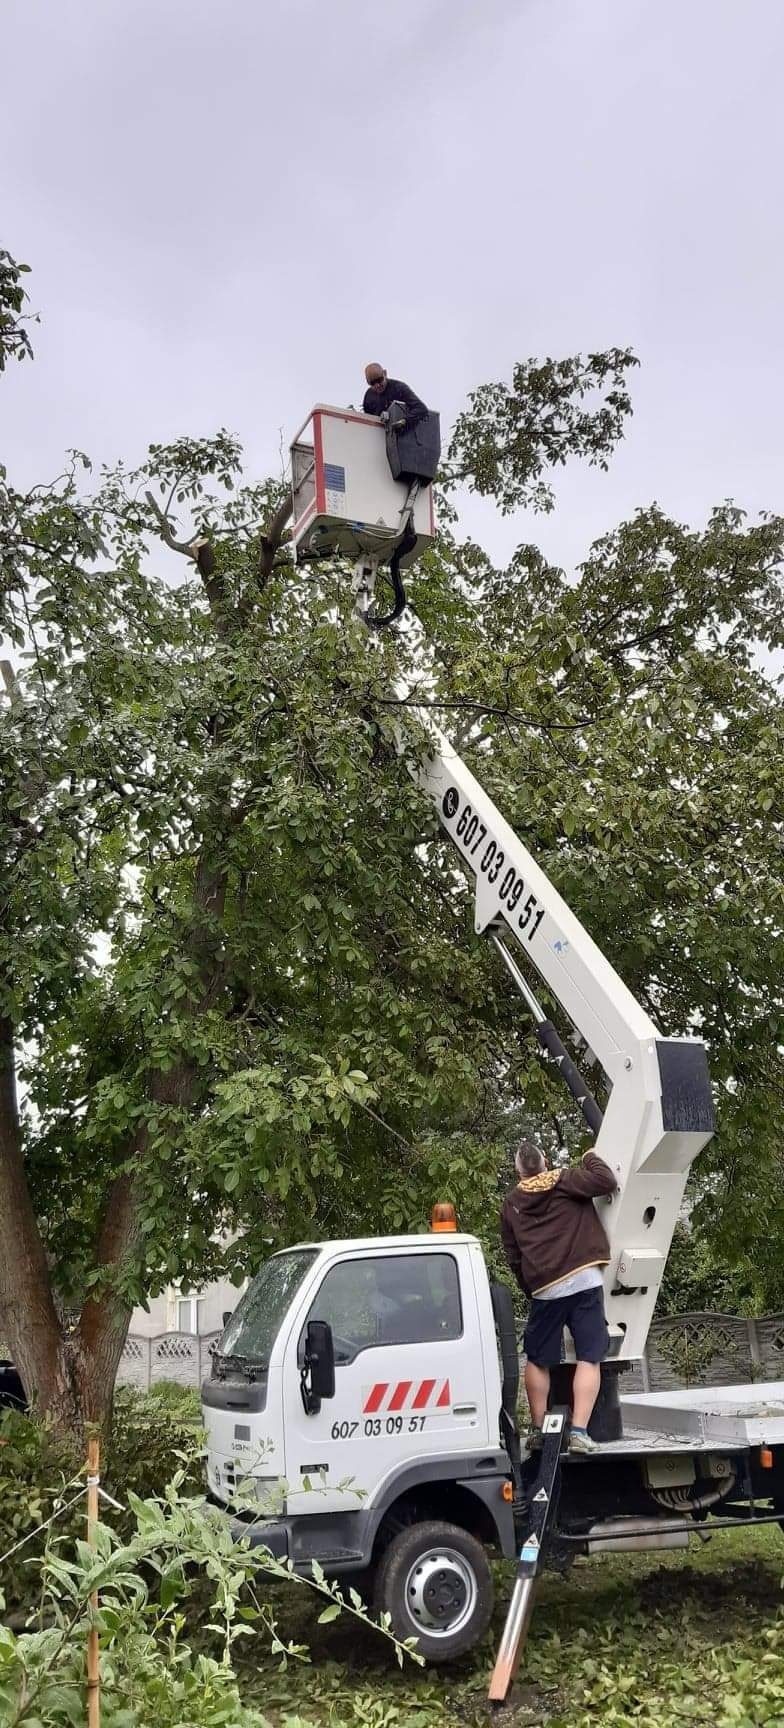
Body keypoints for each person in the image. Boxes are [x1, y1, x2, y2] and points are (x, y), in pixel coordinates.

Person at [500, 1138, 618, 1455]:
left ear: (518, 1171)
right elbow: (607, 1181)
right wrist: (591, 1156)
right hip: (584, 1279)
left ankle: (540, 1431)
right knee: (589, 1356)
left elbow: (513, 1255)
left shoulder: (512, 1203)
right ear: (545, 1162)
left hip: (545, 1289)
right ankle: (579, 1431)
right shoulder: (566, 1179)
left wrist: (531, 1287)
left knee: (538, 1359)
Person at [362, 363, 428, 424]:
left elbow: (421, 409)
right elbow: (368, 421)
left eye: (379, 380)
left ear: (385, 373)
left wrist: (404, 421)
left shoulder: (399, 388)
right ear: (368, 382)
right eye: (373, 383)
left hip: (402, 433)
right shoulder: (368, 396)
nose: (377, 385)